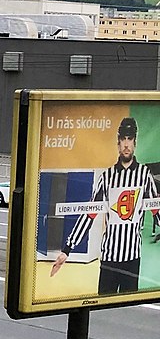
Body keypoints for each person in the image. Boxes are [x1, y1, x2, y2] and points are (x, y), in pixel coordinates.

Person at [51, 117, 159, 295]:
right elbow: (89, 215)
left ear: (135, 142)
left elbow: (156, 210)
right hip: (109, 258)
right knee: (103, 304)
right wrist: (67, 250)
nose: (126, 144)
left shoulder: (144, 174)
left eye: (130, 139)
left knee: (128, 306)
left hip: (132, 258)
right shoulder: (107, 177)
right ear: (118, 143)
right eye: (123, 139)